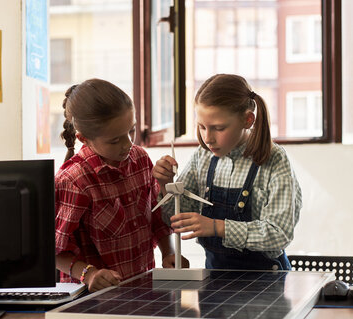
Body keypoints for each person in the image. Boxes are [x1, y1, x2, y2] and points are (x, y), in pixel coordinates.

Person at [153, 74, 302, 271]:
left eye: (218, 128)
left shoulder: (275, 160)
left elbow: (279, 234)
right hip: (215, 278)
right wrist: (166, 185)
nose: (208, 138)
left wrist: (217, 227)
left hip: (266, 281)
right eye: (202, 127)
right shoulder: (202, 157)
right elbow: (177, 218)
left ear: (248, 120)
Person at [55, 78, 186, 293]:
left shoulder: (140, 159)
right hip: (92, 300)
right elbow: (55, 250)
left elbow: (156, 216)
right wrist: (89, 275)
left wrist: (168, 252)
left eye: (131, 131)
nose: (127, 144)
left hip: (143, 288)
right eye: (115, 140)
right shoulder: (74, 180)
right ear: (83, 138)